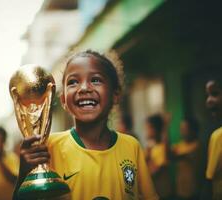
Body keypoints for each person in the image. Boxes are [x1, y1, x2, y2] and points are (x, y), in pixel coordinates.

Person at [13, 50, 159, 200]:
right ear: (63, 100)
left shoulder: (131, 146)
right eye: (73, 82)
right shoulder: (48, 147)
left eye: (95, 80)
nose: (83, 88)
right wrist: (25, 172)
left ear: (115, 95)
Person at [168, 118, 202, 200]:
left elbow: (173, 157)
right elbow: (168, 155)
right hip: (180, 190)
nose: (182, 131)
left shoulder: (196, 146)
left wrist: (165, 127)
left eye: (185, 129)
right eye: (181, 129)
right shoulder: (180, 145)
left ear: (193, 130)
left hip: (192, 191)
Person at [201, 77, 222, 200]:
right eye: (208, 95)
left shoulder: (218, 137)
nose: (209, 100)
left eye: (215, 94)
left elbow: (209, 182)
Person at [144, 114, 172, 200]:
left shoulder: (161, 148)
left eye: (148, 128)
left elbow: (154, 172)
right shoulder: (150, 147)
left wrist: (148, 158)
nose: (146, 131)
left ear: (155, 129)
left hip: (162, 193)